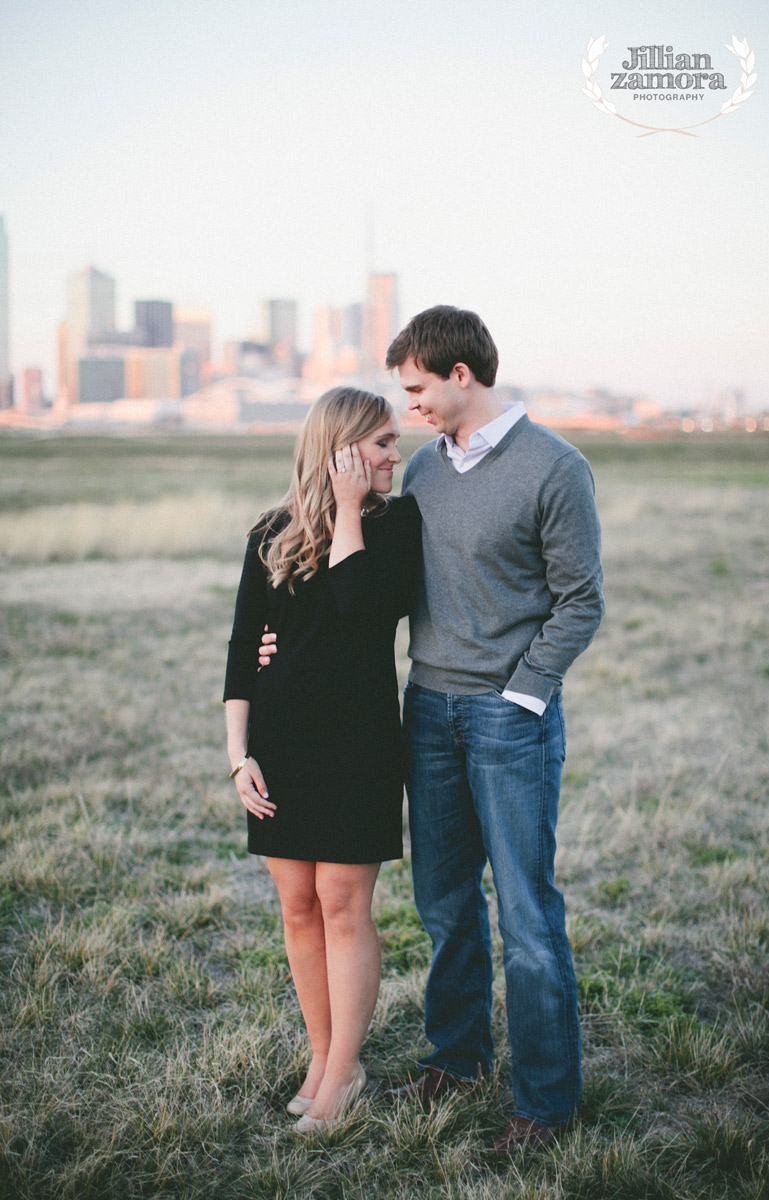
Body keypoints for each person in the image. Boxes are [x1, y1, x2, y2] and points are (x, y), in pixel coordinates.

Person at [260, 307, 604, 1152]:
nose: (406, 404)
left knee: (526, 915)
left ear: (461, 375)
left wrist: (523, 694)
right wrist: (283, 639)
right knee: (445, 905)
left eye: (415, 387)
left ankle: (545, 1103)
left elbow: (581, 599)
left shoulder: (554, 468)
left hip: (507, 719)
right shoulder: (421, 472)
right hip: (427, 711)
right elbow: (366, 587)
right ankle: (456, 1056)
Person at [224, 386, 420, 1132]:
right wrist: (238, 757)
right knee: (298, 908)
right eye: (381, 446)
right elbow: (245, 648)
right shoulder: (269, 533)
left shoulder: (397, 525)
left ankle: (343, 1075)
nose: (396, 457)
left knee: (343, 908)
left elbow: (360, 605)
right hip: (281, 748)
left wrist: (346, 512)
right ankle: (322, 1055)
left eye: (395, 443)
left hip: (359, 746)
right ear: (340, 448)